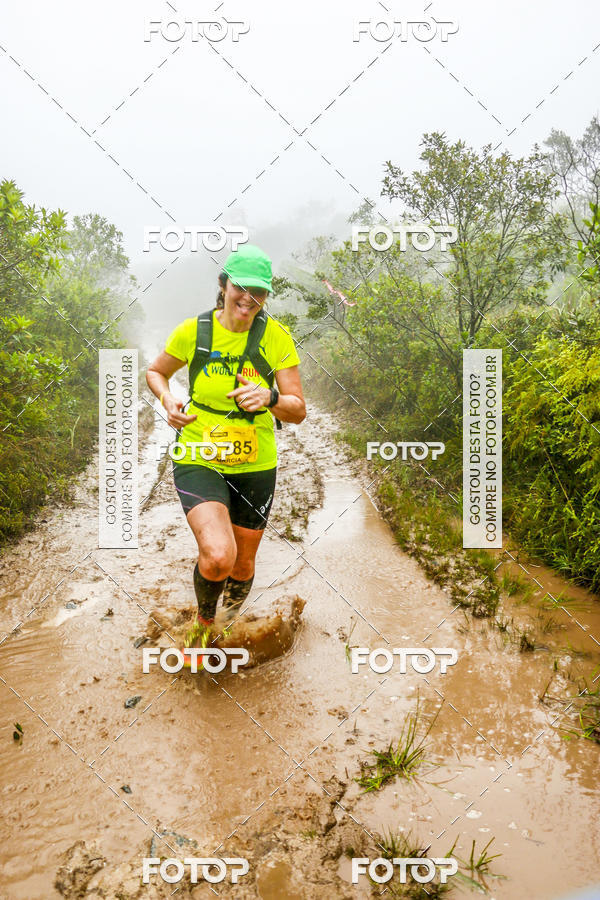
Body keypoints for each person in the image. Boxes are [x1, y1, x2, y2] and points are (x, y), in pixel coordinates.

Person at [146, 244, 306, 664]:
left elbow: (298, 410)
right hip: (199, 453)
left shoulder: (276, 337)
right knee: (219, 555)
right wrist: (168, 399)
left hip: (255, 462)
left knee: (243, 563)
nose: (249, 299)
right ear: (223, 285)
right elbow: (156, 371)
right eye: (241, 288)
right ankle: (203, 628)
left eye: (260, 292)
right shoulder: (194, 331)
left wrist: (270, 397)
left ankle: (229, 623)